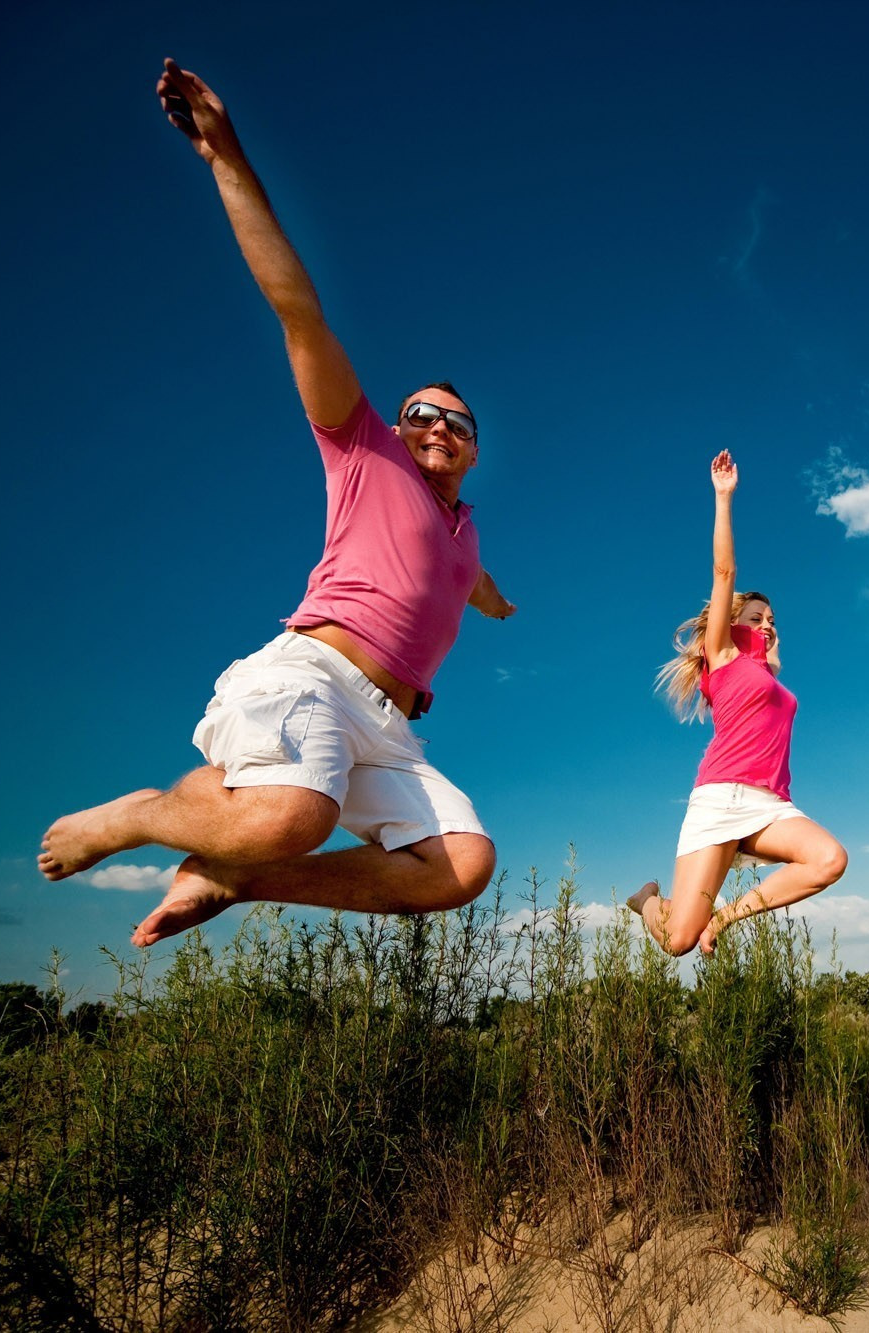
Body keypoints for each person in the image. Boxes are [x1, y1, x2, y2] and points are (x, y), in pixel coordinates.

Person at [37, 59, 515, 948]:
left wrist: (491, 597)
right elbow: (298, 311)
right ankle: (142, 814)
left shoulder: (463, 527)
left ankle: (241, 879)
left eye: (457, 420)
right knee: (288, 811)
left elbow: (466, 578)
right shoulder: (365, 453)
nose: (436, 423)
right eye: (420, 413)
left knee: (461, 866)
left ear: (475, 448)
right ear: (397, 427)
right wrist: (225, 154)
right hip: (313, 676)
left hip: (388, 728)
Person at [627, 451, 847, 956]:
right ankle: (646, 901)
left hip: (770, 805)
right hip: (721, 798)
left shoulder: (773, 679)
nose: (767, 622)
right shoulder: (722, 658)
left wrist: (724, 914)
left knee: (829, 859)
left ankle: (723, 918)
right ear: (731, 624)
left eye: (771, 618)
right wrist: (724, 497)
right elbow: (724, 572)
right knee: (678, 940)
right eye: (756, 616)